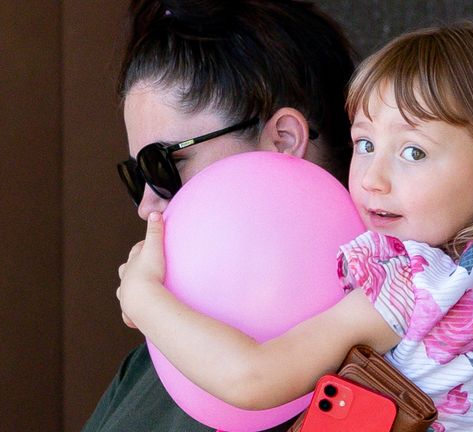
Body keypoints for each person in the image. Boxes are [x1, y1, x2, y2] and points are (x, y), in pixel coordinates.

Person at [116, 23, 473, 431]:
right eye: (365, 144)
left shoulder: (405, 288)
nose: (374, 179)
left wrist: (145, 301)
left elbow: (251, 381)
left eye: (412, 151)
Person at [82, 1, 354, 431]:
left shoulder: (424, 341)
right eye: (139, 176)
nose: (146, 204)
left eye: (165, 164)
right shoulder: (152, 366)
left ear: (283, 139)